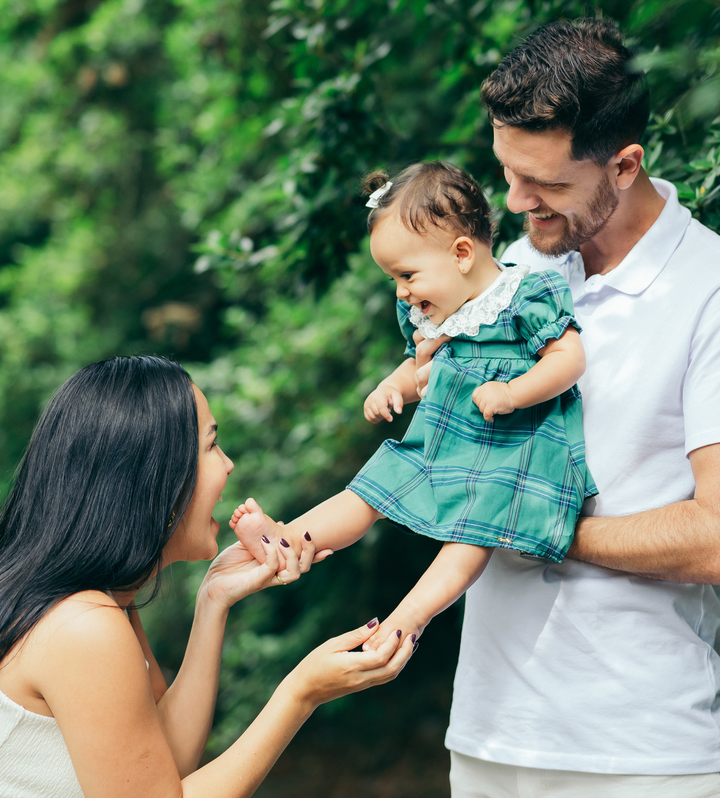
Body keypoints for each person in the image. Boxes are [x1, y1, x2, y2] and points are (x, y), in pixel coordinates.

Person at [413, 18, 720, 798]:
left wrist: (543, 526)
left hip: (652, 755)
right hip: (488, 741)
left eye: (548, 186)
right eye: (507, 175)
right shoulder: (508, 274)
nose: (518, 204)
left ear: (625, 166)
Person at [0, 356, 415, 798]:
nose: (229, 465)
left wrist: (213, 602)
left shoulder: (80, 598)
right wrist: (298, 692)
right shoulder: (80, 627)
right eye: (211, 447)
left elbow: (161, 766)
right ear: (151, 477)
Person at [229, 160, 597, 650]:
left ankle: (407, 618)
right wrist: (392, 388)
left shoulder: (527, 294)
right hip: (442, 440)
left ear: (462, 253)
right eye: (393, 279)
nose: (402, 292)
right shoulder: (433, 308)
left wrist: (513, 392)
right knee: (375, 485)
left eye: (407, 275)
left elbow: (568, 359)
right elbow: (414, 365)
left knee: (471, 535)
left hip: (516, 451)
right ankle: (288, 541)